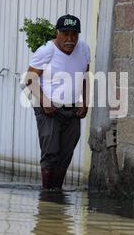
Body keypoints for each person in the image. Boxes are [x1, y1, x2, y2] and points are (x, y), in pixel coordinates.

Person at [24, 14, 90, 190]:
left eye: (74, 34)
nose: (70, 39)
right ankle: (47, 194)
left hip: (73, 108)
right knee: (51, 152)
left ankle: (56, 192)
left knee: (66, 153)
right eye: (65, 34)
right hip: (48, 108)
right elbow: (29, 79)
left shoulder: (84, 50)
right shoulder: (47, 51)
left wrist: (85, 102)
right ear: (57, 33)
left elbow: (84, 77)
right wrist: (45, 101)